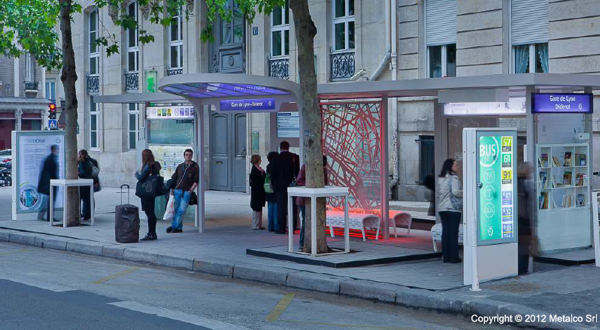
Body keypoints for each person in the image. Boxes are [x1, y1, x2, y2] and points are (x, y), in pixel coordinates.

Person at [296, 155, 329, 250]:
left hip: (318, 199)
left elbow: (325, 183)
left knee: (318, 221)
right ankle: (302, 243)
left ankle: (317, 243)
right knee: (306, 221)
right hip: (304, 199)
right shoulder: (305, 167)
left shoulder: (324, 169)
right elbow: (299, 181)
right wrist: (311, 185)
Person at [271, 141, 300, 234]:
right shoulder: (295, 157)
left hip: (280, 187)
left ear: (280, 148)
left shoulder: (275, 158)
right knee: (293, 207)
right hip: (292, 186)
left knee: (281, 208)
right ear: (288, 147)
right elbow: (297, 172)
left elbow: (273, 174)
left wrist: (274, 185)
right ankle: (293, 227)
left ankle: (281, 228)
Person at [167, 149, 199, 233]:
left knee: (182, 209)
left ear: (192, 156)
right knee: (177, 209)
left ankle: (174, 226)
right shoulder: (180, 166)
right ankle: (179, 227)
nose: (188, 156)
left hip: (187, 191)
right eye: (186, 155)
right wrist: (172, 189)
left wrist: (191, 190)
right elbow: (174, 177)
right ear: (184, 156)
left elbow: (196, 180)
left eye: (190, 155)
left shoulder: (195, 166)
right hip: (178, 189)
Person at [437, 159, 463, 263]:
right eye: (455, 165)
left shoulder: (441, 178)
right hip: (452, 209)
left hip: (442, 209)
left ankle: (446, 257)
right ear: (450, 167)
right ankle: (454, 257)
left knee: (446, 233)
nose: (457, 167)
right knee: (453, 233)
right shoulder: (454, 178)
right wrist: (466, 191)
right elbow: (456, 192)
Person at [135, 149, 162, 241]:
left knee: (149, 212)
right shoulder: (154, 165)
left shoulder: (147, 166)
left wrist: (137, 174)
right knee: (151, 212)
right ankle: (152, 233)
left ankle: (151, 233)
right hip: (151, 192)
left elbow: (141, 178)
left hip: (146, 192)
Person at [517, 162, 533, 275]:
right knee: (523, 247)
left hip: (520, 219)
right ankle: (522, 269)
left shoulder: (517, 182)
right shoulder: (522, 184)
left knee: (522, 246)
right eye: (530, 169)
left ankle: (522, 268)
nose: (531, 172)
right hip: (522, 220)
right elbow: (523, 205)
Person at [37, 145, 59, 221]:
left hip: (50, 183)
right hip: (51, 183)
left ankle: (46, 216)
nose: (57, 151)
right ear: (53, 150)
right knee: (51, 201)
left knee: (49, 201)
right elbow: (49, 173)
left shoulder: (50, 158)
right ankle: (49, 217)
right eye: (56, 149)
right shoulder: (50, 159)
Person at [78, 149, 100, 221]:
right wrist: (96, 182)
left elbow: (83, 173)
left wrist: (77, 173)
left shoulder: (82, 162)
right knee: (90, 198)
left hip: (84, 182)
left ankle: (85, 214)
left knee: (84, 199)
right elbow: (95, 173)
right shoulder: (93, 161)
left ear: (81, 154)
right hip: (91, 182)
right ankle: (90, 214)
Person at [249, 154, 266, 230]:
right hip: (256, 191)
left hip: (259, 191)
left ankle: (259, 224)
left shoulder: (258, 169)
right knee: (256, 208)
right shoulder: (255, 170)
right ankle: (255, 225)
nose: (261, 161)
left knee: (259, 208)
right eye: (260, 160)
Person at [265, 151, 279, 232]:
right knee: (276, 209)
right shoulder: (277, 166)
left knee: (270, 208)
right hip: (275, 189)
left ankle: (270, 226)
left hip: (269, 189)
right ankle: (276, 226)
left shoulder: (268, 166)